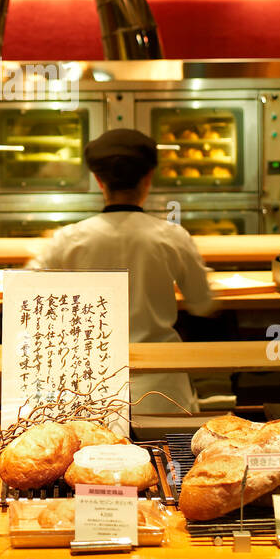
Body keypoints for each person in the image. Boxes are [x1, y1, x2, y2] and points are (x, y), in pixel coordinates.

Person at [24, 129, 216, 416]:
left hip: (90, 386)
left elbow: (26, 290)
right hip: (162, 390)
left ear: (99, 181)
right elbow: (203, 302)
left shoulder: (69, 238)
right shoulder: (172, 237)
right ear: (149, 178)